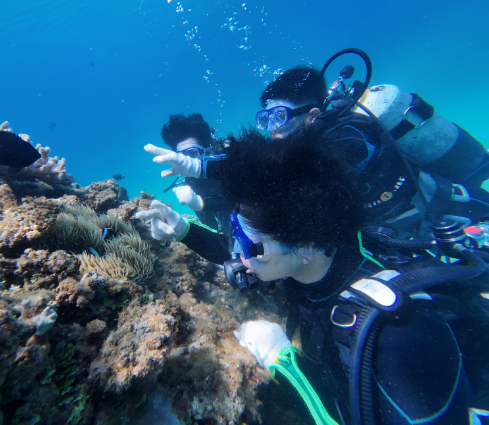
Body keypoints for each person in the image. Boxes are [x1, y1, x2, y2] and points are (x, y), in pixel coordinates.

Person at [136, 127, 489, 424]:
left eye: (248, 241)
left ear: (305, 246)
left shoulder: (393, 336)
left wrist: (285, 366)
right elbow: (243, 250)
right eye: (235, 227)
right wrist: (183, 230)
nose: (238, 253)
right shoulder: (317, 249)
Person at [144, 66, 489, 240]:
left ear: (311, 115)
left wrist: (200, 169)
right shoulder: (302, 146)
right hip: (402, 235)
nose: (271, 129)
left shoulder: (347, 136)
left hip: (455, 217)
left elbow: (285, 171)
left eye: (279, 117)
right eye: (264, 119)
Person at [160, 113, 233, 235]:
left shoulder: (227, 165)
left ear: (209, 151)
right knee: (213, 230)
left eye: (193, 153)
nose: (186, 162)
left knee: (229, 229)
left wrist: (202, 204)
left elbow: (240, 202)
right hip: (204, 200)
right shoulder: (190, 183)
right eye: (181, 157)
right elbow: (209, 225)